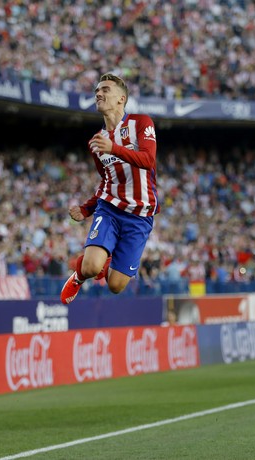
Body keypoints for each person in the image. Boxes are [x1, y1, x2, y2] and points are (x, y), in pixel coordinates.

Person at [60, 73, 159, 304]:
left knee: (115, 285)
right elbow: (107, 181)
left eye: (105, 89)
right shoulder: (97, 141)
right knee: (92, 267)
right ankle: (78, 276)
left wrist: (114, 148)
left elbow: (148, 160)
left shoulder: (141, 123)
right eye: (97, 90)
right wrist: (87, 209)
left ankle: (108, 254)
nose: (98, 93)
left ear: (121, 99)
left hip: (140, 215)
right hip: (110, 209)